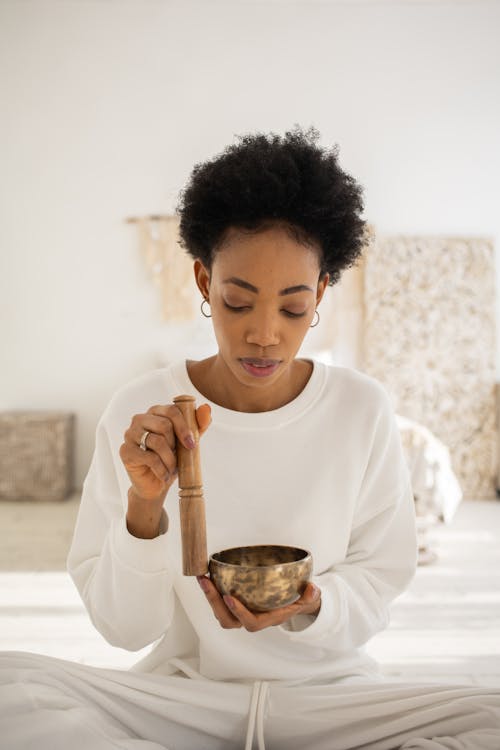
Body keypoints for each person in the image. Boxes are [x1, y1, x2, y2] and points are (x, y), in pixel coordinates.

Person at [1, 126, 499, 750]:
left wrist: (313, 604)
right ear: (205, 284)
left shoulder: (360, 409)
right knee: (11, 689)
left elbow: (377, 583)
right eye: (239, 302)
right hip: (182, 699)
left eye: (292, 308)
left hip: (332, 701)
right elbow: (125, 630)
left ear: (320, 293)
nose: (264, 334)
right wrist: (144, 508)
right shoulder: (141, 411)